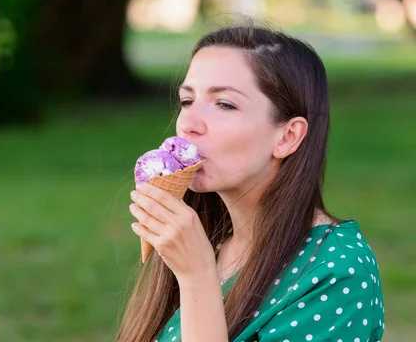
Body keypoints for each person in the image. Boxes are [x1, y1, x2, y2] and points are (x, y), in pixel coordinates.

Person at [117, 23, 385, 342]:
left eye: (225, 104)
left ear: (287, 137)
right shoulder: (207, 241)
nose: (188, 123)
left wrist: (197, 278)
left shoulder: (337, 273)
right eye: (187, 101)